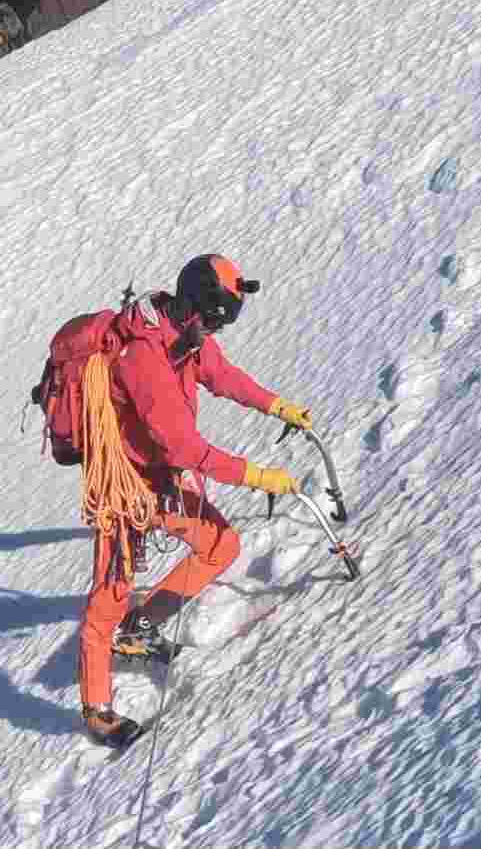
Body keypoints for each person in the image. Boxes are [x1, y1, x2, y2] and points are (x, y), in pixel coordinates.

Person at [76, 253, 315, 749]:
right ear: (191, 305)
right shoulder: (144, 356)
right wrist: (258, 476)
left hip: (162, 482)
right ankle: (97, 710)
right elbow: (185, 448)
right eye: (211, 319)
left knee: (220, 544)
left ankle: (140, 628)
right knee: (108, 599)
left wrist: (279, 407)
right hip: (123, 487)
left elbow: (224, 376)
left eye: (220, 323)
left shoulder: (186, 338)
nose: (214, 331)